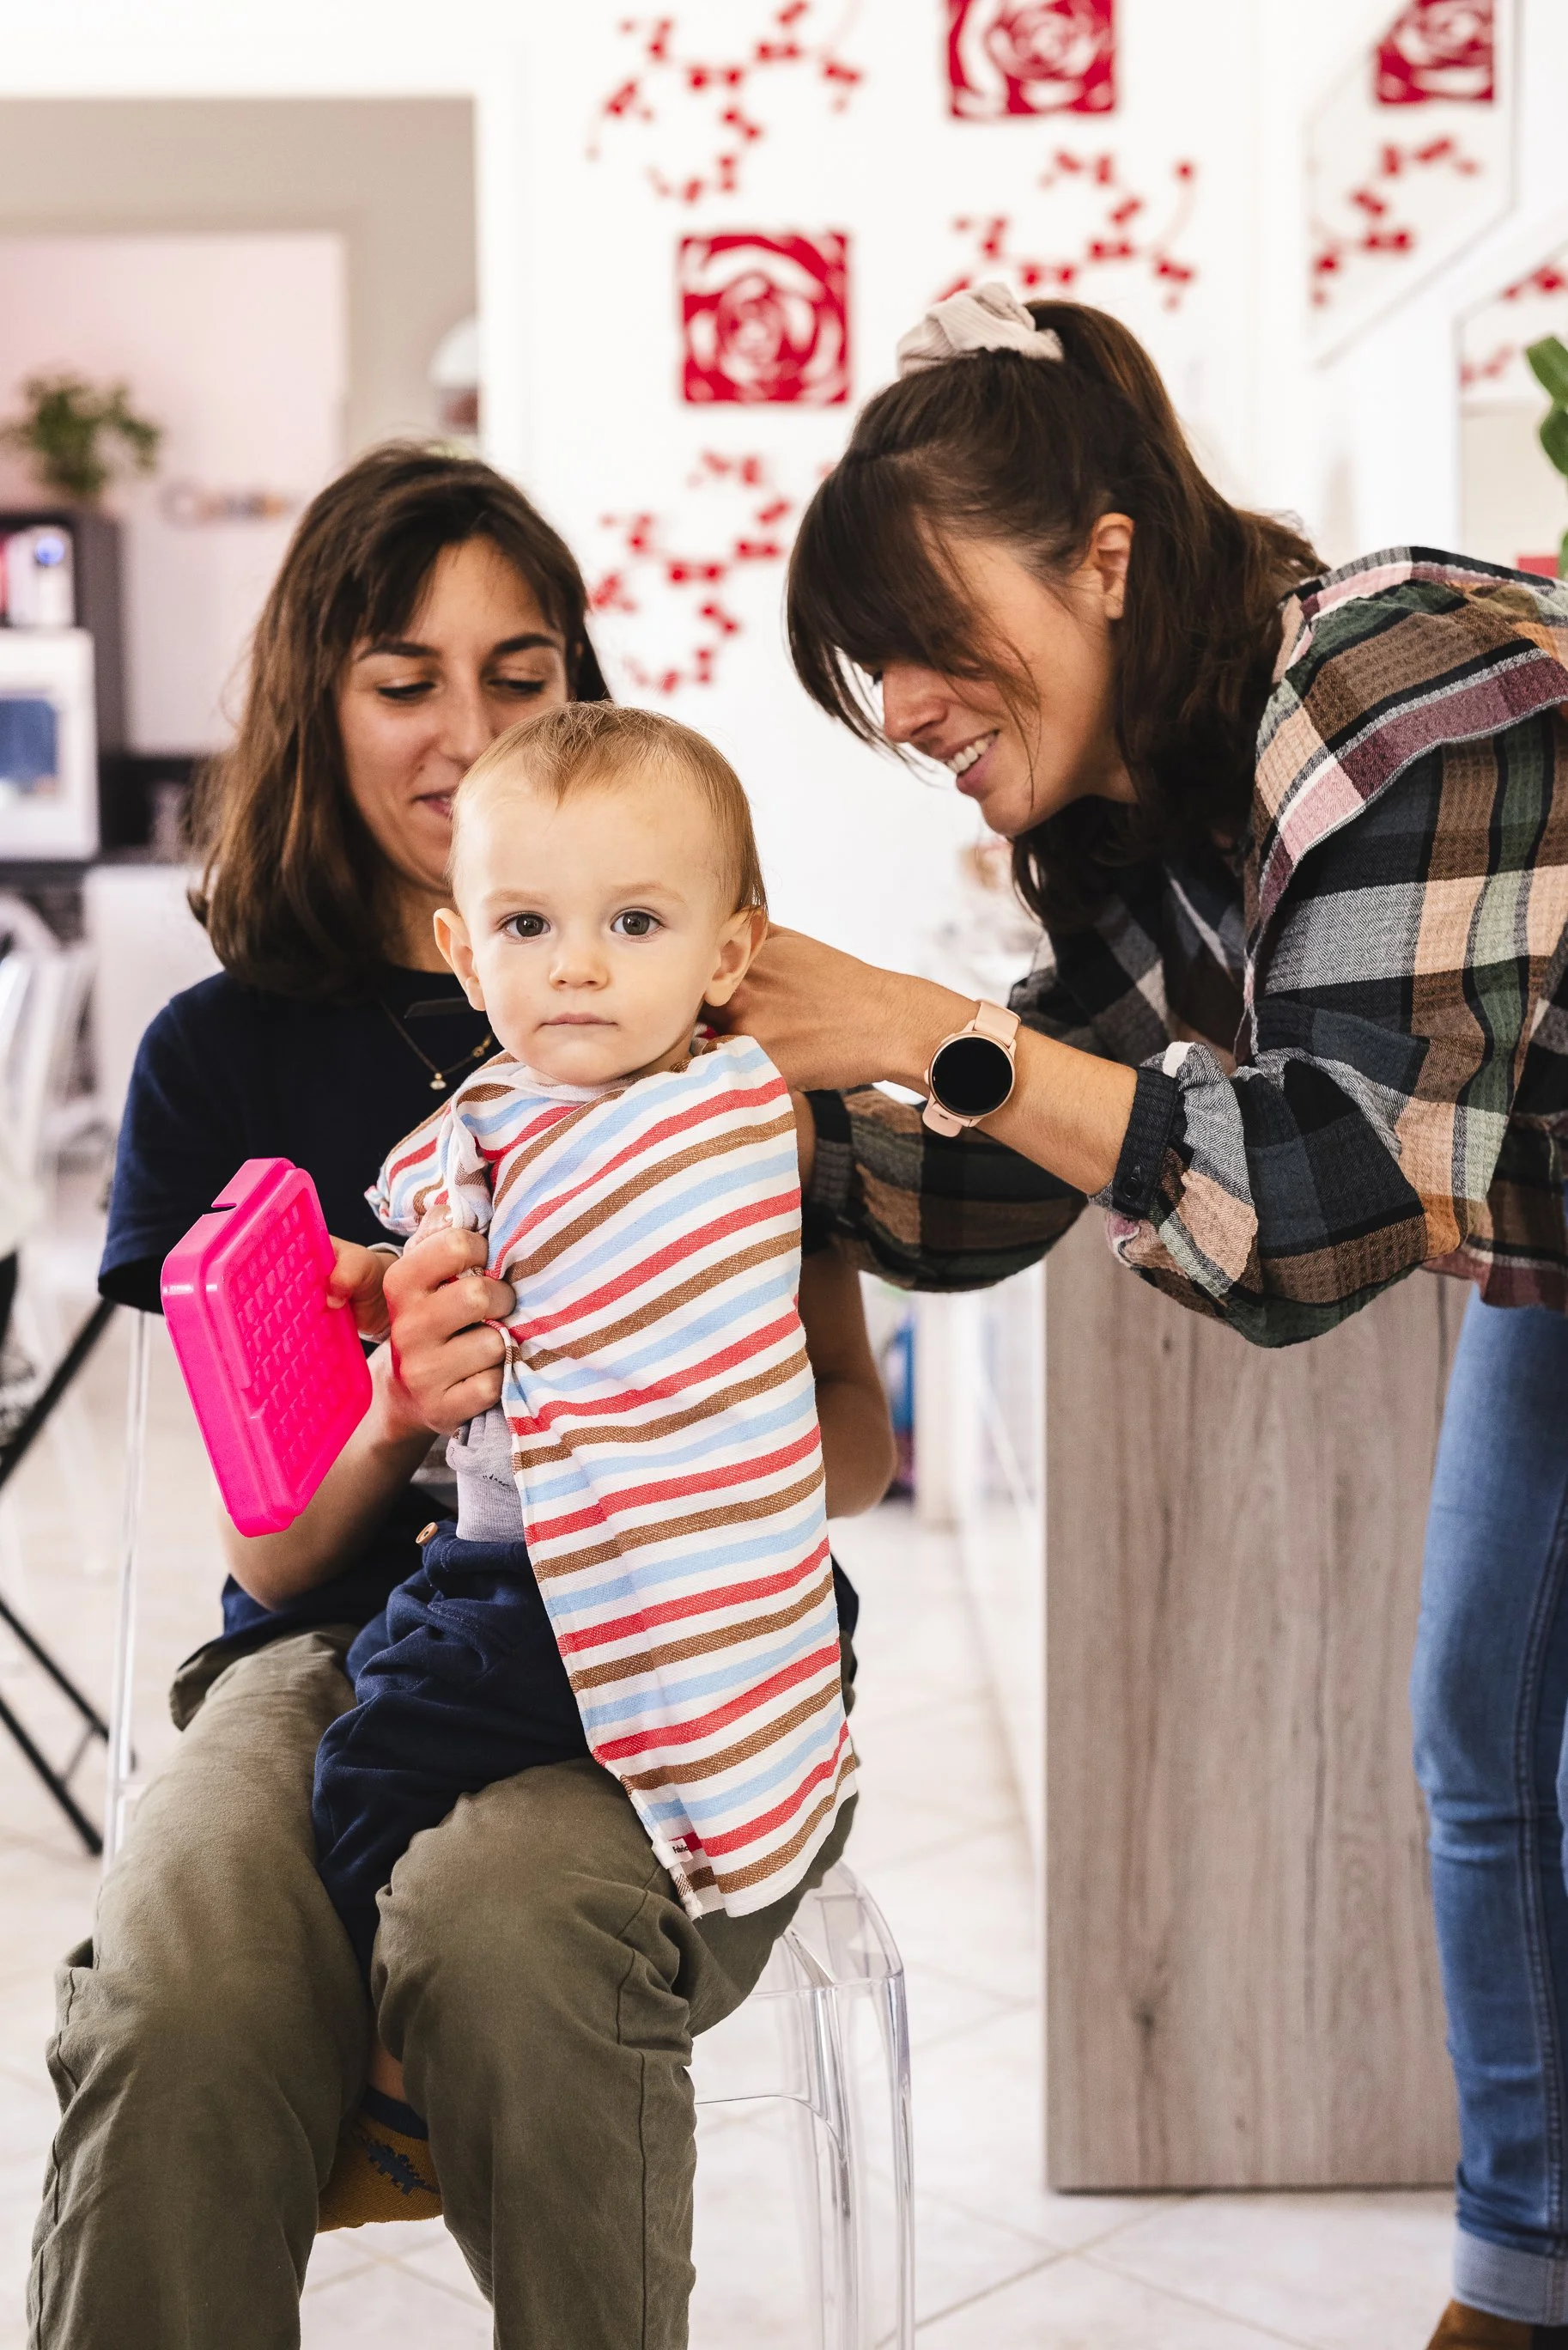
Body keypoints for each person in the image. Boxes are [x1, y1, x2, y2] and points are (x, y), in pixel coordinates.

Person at [714, 283, 1568, 2350]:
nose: (905, 707)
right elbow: (1006, 1171)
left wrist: (917, 1027)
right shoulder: (1154, 815)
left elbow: (1323, 1206)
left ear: (1103, 558)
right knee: (1480, 1729)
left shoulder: (1389, 685)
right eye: (873, 673)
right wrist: (736, 1130)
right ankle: (1526, 2269)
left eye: (926, 638)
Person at [27, 445, 880, 2350]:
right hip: (334, 1640)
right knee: (181, 1999)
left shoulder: (722, 1048)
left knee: (505, 1929)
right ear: (317, 703)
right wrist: (402, 1408)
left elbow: (853, 1433)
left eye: (520, 672)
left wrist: (674, 1419)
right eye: (403, 679)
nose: (466, 729)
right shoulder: (222, 1056)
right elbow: (275, 1553)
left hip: (671, 1634)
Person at [303, 703, 878, 2219]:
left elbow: (592, 1268)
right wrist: (392, 1287)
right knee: (376, 1712)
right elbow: (481, 1280)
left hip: (614, 1584)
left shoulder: (732, 1116)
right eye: (527, 925)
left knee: (365, 1770)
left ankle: (395, 2104)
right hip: (501, 1569)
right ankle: (414, 2061)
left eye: (634, 923)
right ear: (460, 949)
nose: (576, 967)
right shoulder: (504, 1120)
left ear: (729, 955)